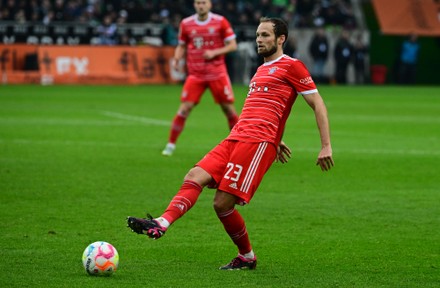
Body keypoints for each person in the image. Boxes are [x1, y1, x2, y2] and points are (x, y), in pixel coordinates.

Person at [128, 17, 334, 270]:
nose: (259, 39)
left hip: (257, 142)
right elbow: (265, 108)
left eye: (266, 35)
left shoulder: (293, 66)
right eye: (258, 35)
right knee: (194, 175)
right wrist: (277, 138)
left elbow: (318, 103)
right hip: (236, 136)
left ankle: (246, 256)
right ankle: (162, 222)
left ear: (281, 39)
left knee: (222, 203)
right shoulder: (260, 70)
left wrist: (325, 145)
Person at [161, 0, 239, 156]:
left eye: (203, 3)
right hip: (196, 75)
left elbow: (232, 45)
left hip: (217, 74)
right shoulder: (186, 23)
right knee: (184, 109)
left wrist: (214, 52)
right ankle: (170, 145)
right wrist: (177, 58)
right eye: (197, 3)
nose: (200, 5)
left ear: (209, 5)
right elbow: (182, 45)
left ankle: (238, 145)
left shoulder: (220, 21)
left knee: (228, 110)